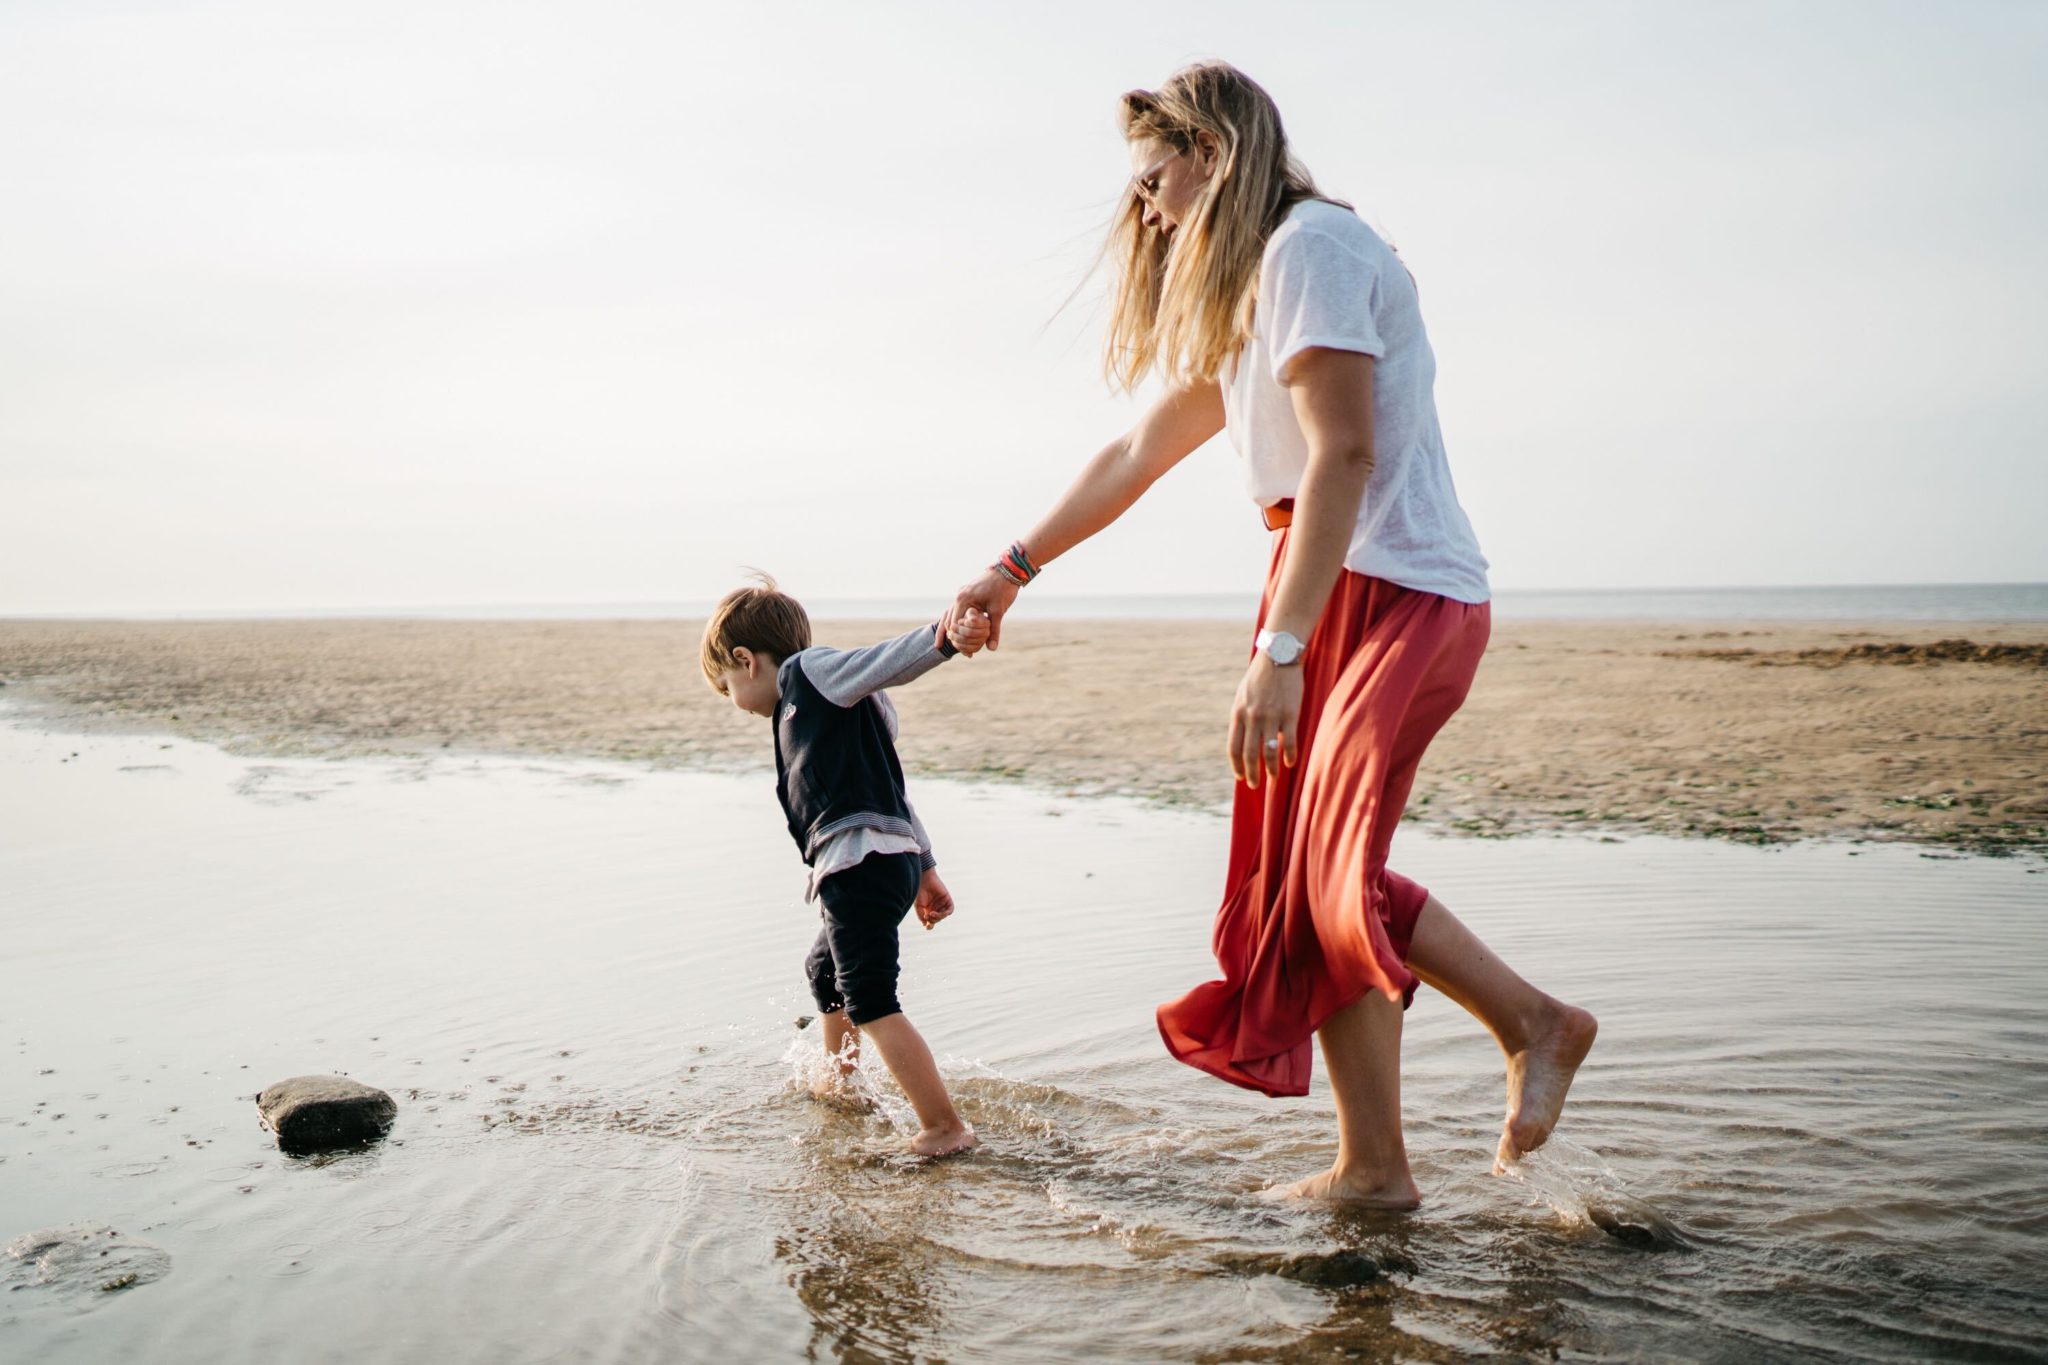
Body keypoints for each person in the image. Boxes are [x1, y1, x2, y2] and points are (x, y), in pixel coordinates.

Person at [944, 63, 1596, 1206]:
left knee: (1320, 876)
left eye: (1155, 180)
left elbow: (1341, 454)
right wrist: (1011, 569)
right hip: (1324, 582)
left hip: (1386, 586)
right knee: (1307, 881)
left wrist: (1280, 653)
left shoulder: (1310, 251)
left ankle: (1525, 1033)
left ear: (1212, 149)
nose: (1145, 209)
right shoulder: (1260, 282)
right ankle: (1382, 1166)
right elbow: (1135, 454)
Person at [702, 575, 989, 1157]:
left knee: (871, 997)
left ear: (745, 660)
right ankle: (842, 1083)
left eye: (728, 686)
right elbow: (895, 794)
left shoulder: (809, 674)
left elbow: (886, 661)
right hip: (884, 859)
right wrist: (926, 867)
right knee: (825, 972)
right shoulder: (822, 709)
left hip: (861, 867)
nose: (736, 702)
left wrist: (946, 637)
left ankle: (943, 1127)